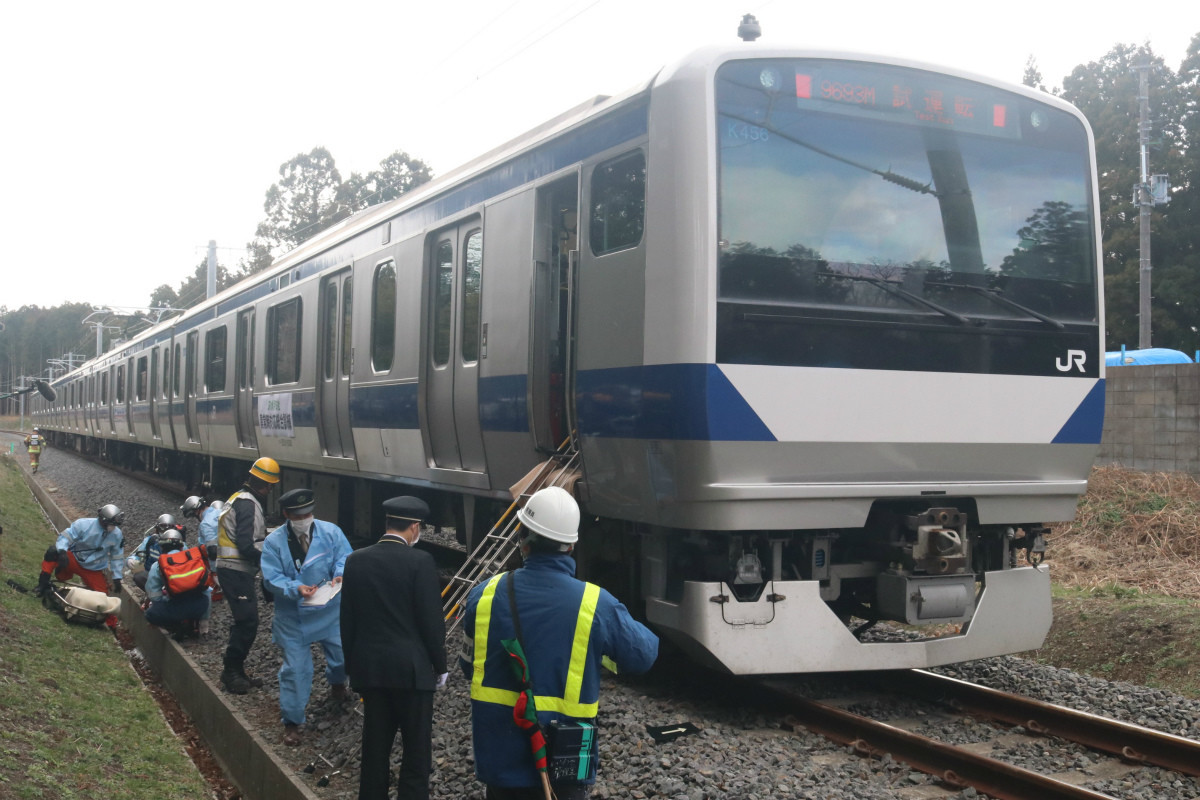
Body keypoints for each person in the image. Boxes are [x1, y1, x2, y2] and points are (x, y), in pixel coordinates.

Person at [459, 486, 659, 800]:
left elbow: (469, 666)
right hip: (564, 762)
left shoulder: (483, 596)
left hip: (501, 757)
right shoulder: (594, 604)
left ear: (522, 540)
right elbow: (643, 655)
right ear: (571, 546)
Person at [341, 496, 448, 800]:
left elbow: (347, 621)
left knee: (374, 748)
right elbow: (431, 622)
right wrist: (440, 666)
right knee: (416, 751)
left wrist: (352, 667)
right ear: (415, 527)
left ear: (388, 522)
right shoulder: (421, 562)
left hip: (371, 671)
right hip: (412, 673)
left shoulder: (356, 560)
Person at [260, 487, 353, 746]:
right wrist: (295, 589)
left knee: (343, 656)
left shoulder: (331, 532)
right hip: (294, 617)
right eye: (298, 515)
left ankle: (338, 685)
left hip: (330, 610)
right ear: (286, 514)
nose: (304, 519)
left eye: (308, 513)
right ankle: (292, 721)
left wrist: (340, 573)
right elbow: (271, 578)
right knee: (295, 670)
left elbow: (344, 557)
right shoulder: (274, 542)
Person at [216, 456, 280, 694]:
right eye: (270, 486)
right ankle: (231, 672)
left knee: (245, 620)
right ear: (268, 485)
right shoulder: (249, 503)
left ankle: (237, 671)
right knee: (248, 621)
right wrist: (270, 556)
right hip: (235, 570)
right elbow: (246, 544)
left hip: (232, 569)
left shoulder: (238, 498)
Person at [35, 504, 127, 629]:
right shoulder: (83, 524)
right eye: (110, 524)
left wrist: (117, 577)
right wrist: (62, 551)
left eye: (114, 525)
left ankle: (111, 625)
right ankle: (42, 585)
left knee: (103, 598)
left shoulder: (116, 535)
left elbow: (117, 556)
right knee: (53, 552)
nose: (112, 528)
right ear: (102, 519)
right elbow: (66, 536)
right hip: (74, 560)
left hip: (93, 569)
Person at [141, 527, 211, 641]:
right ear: (182, 546)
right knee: (196, 598)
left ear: (162, 547)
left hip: (176, 609)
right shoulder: (194, 559)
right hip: (200, 606)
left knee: (150, 613)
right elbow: (207, 591)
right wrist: (204, 620)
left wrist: (164, 599)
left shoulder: (158, 565)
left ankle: (175, 626)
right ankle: (195, 626)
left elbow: (155, 596)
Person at [181, 495, 225, 601]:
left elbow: (212, 551)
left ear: (196, 511)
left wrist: (214, 574)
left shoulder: (206, 524)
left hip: (221, 563)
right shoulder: (218, 512)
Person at [127, 514, 184, 592]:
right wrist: (131, 560)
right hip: (153, 575)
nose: (165, 531)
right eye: (162, 527)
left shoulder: (181, 545)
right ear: (157, 528)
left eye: (169, 527)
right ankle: (151, 594)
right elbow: (139, 554)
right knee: (139, 576)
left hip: (171, 577)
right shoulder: (150, 541)